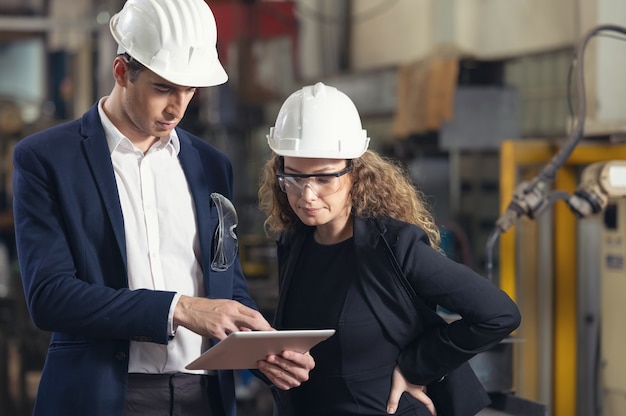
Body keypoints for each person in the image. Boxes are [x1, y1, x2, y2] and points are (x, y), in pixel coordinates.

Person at [11, 1, 314, 415]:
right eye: (163, 88)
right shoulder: (47, 159)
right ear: (122, 72)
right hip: (101, 396)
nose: (178, 107)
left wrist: (262, 351)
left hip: (203, 398)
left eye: (189, 90)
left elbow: (226, 285)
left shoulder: (210, 164)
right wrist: (180, 308)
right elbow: (50, 297)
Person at [257, 82, 522, 416]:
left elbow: (498, 314)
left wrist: (418, 367)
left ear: (355, 174)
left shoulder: (395, 246)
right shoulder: (296, 242)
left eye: (324, 179)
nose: (307, 195)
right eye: (293, 177)